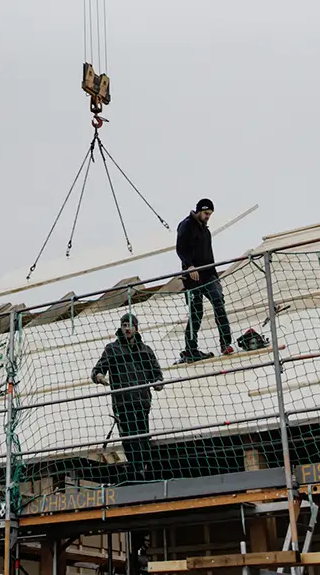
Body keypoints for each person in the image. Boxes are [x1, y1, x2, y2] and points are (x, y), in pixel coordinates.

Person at [92, 312, 163, 479]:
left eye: (130, 325)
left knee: (142, 435)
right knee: (129, 437)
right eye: (124, 325)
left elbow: (156, 373)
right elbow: (98, 369)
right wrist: (99, 377)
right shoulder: (112, 349)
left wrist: (158, 382)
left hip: (142, 401)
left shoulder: (145, 350)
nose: (127, 328)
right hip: (122, 402)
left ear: (136, 328)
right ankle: (137, 469)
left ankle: (143, 468)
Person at [175, 198, 232, 360]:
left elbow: (209, 255)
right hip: (193, 276)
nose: (208, 216)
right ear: (199, 211)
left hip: (208, 275)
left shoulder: (206, 232)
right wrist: (189, 266)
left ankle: (225, 343)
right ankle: (190, 349)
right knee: (196, 312)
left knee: (218, 302)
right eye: (206, 213)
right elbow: (180, 248)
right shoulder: (186, 225)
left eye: (210, 214)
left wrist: (215, 276)